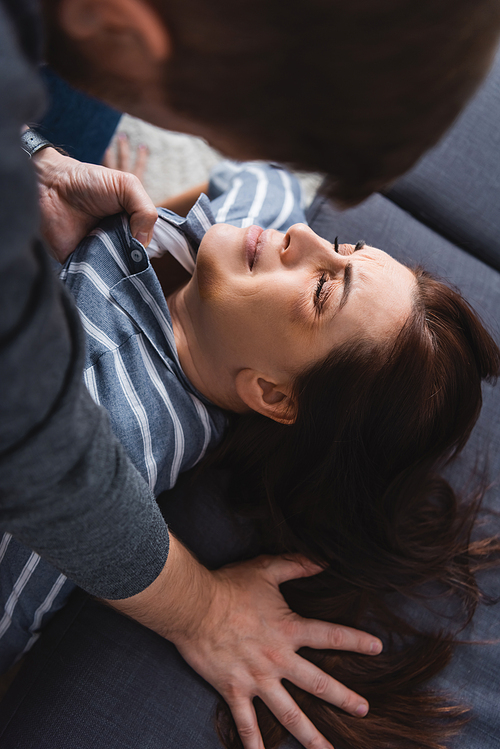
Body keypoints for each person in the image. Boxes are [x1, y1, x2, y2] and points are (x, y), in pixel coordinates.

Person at [3, 1, 500, 748]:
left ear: (270, 392)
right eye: (344, 245)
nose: (304, 236)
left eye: (325, 289)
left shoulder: (117, 423)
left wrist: (29, 169)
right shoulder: (258, 215)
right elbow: (268, 178)